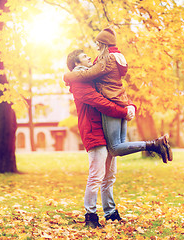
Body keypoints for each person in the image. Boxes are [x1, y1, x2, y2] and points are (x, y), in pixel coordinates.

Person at [65, 49, 171, 229]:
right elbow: (100, 101)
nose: (89, 57)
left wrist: (129, 106)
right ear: (76, 63)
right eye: (84, 56)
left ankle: (111, 213)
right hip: (93, 132)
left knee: (109, 176)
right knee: (96, 176)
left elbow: (112, 92)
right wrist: (123, 112)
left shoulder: (91, 78)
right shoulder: (79, 83)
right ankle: (90, 215)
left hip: (105, 130)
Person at [64, 27, 173, 163]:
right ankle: (156, 145)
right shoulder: (116, 58)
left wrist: (68, 75)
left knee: (115, 148)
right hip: (120, 103)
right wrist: (129, 106)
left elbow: (88, 74)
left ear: (104, 44)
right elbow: (118, 85)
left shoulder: (106, 59)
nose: (96, 47)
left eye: (98, 43)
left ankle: (154, 145)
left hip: (112, 106)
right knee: (119, 146)